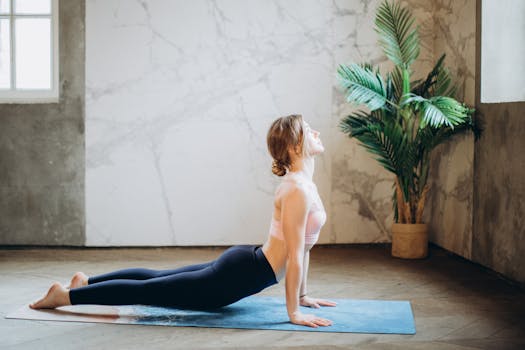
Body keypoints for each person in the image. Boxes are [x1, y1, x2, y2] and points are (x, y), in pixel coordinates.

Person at [30, 114, 336, 328]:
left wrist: (303, 296)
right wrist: (293, 311)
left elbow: (304, 249)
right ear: (296, 146)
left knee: (156, 278)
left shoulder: (304, 185)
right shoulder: (296, 190)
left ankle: (86, 282)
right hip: (240, 275)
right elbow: (294, 256)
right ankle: (66, 296)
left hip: (247, 264)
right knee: (148, 291)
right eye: (309, 130)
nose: (317, 133)